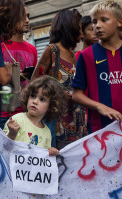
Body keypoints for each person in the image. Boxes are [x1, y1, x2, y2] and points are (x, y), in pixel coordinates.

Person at [31, 9, 87, 150]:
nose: (82, 32)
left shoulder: (74, 55)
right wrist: (58, 93)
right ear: (70, 27)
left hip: (77, 122)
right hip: (56, 121)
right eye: (79, 28)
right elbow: (35, 82)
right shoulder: (52, 50)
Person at [72, 1, 122, 134]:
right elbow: (76, 94)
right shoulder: (86, 55)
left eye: (104, 20)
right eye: (94, 22)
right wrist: (100, 107)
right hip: (100, 131)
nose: (98, 26)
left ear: (119, 22)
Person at [3, 76, 68, 156]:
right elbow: (4, 147)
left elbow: (44, 156)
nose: (35, 101)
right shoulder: (16, 120)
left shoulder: (47, 131)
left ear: (51, 106)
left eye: (42, 99)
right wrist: (12, 134)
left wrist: (51, 151)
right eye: (33, 96)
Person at [0, 5, 38, 129]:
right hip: (3, 113)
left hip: (27, 113)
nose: (27, 20)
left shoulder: (32, 49)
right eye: (22, 16)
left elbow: (35, 80)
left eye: (28, 16)